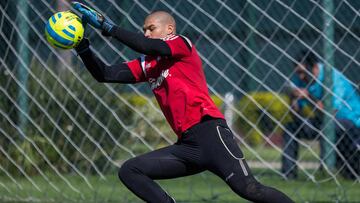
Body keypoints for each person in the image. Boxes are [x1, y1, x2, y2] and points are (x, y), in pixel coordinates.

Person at [72, 2, 294, 202]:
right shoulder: (147, 64)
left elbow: (149, 46)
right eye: (144, 30)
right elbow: (105, 74)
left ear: (169, 30)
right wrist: (82, 47)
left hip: (210, 134)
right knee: (130, 171)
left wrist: (108, 27)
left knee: (249, 189)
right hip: (187, 146)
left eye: (151, 28)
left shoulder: (181, 43)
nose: (146, 33)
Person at [282, 50, 360, 179]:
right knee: (291, 127)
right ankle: (288, 175)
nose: (300, 77)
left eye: (303, 72)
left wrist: (308, 97)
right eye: (298, 73)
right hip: (323, 122)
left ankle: (326, 171)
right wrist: (292, 100)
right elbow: (296, 115)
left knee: (329, 126)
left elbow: (331, 113)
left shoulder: (333, 78)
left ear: (315, 67)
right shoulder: (300, 79)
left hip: (349, 122)